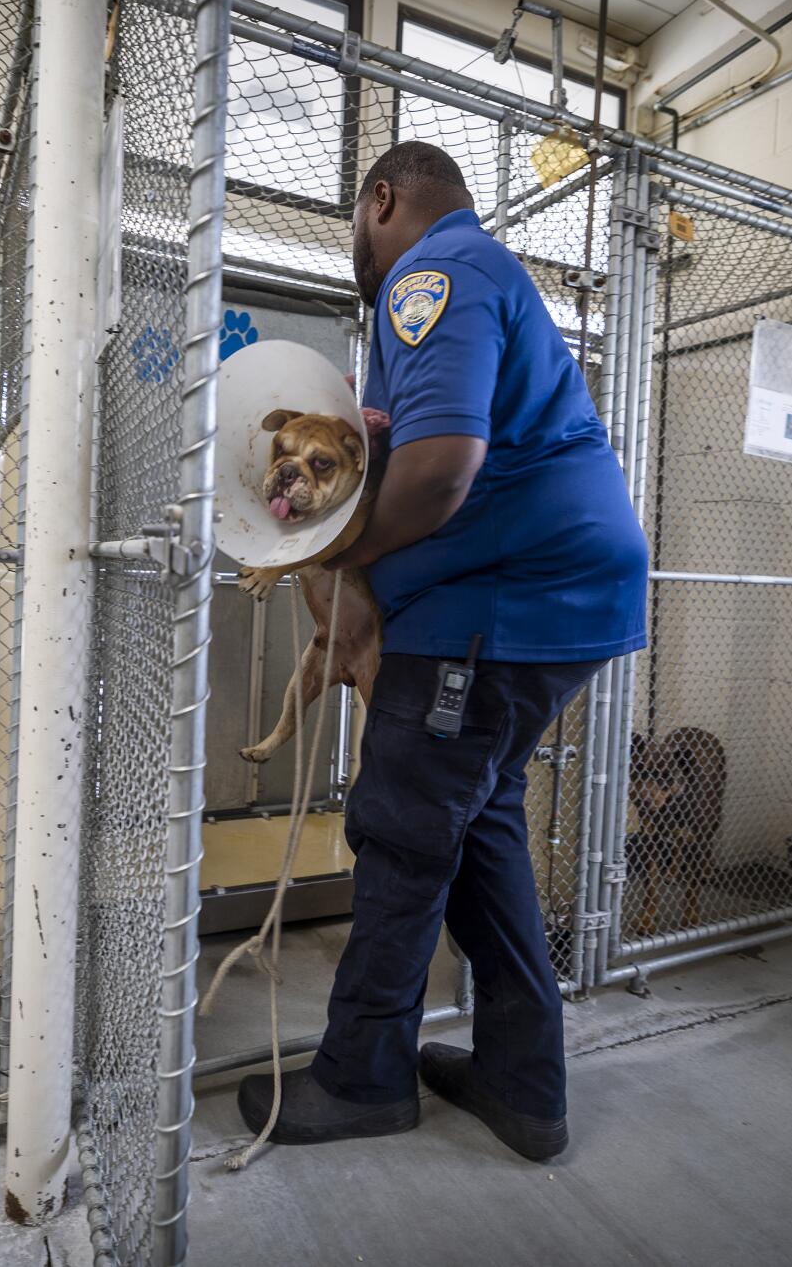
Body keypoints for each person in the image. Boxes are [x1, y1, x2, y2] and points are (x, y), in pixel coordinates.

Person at [236, 141, 649, 1160]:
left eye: (352, 227)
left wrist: (335, 559)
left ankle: (363, 1076)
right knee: (477, 829)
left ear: (383, 200)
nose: (355, 253)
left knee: (404, 827)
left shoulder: (432, 274)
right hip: (545, 596)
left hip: (495, 605)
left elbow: (440, 475)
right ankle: (521, 1081)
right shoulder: (477, 278)